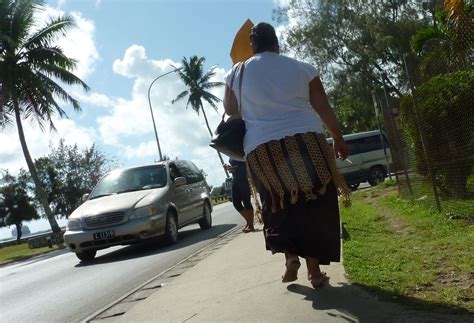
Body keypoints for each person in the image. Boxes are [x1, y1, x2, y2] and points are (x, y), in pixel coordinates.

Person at [223, 22, 351, 288]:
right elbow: (322, 106)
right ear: (276, 43)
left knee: (277, 203)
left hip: (262, 149)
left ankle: (291, 256)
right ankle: (314, 273)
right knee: (313, 204)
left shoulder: (237, 72)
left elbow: (230, 107)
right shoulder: (302, 67)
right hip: (307, 142)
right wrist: (337, 138)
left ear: (253, 45)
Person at [224, 158, 255, 233]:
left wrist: (234, 169)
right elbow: (235, 165)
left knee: (246, 202)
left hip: (243, 179)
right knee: (236, 203)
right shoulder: (230, 151)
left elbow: (246, 164)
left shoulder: (239, 149)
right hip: (235, 179)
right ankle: (249, 221)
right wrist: (229, 167)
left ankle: (251, 225)